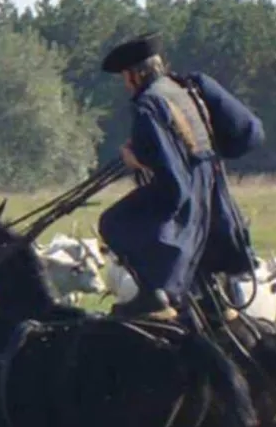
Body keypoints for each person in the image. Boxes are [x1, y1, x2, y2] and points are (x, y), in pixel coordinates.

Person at [96, 34, 264, 321]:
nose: (126, 85)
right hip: (212, 186)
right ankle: (212, 296)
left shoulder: (148, 103)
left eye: (126, 77)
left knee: (113, 223)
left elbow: (164, 164)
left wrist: (135, 159)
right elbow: (246, 131)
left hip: (184, 188)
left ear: (137, 74)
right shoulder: (187, 88)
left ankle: (154, 295)